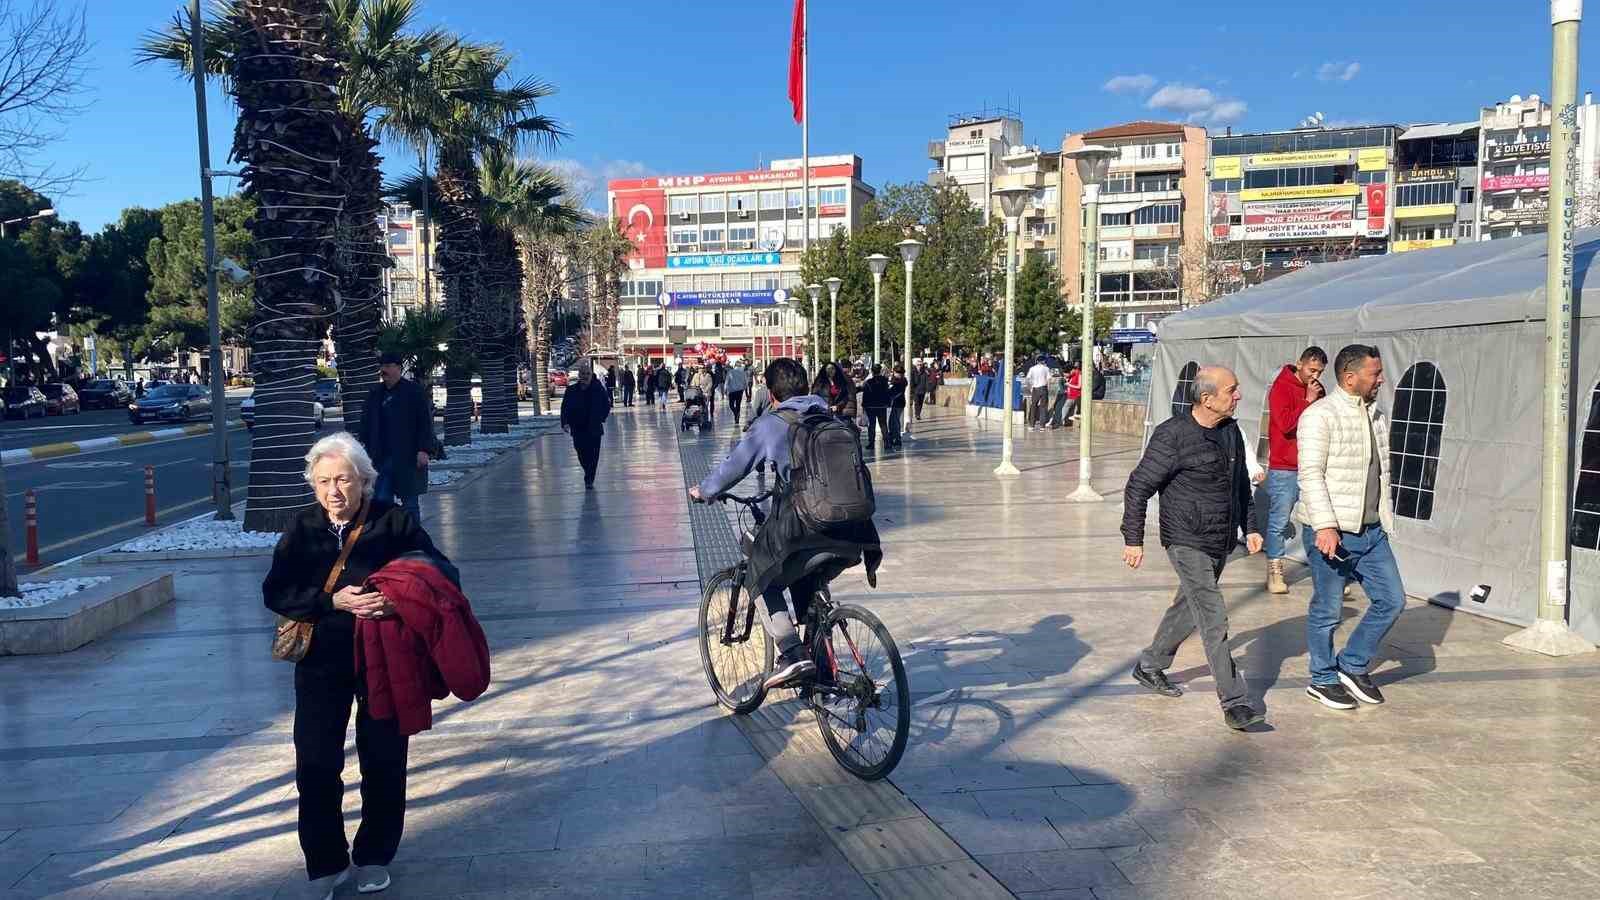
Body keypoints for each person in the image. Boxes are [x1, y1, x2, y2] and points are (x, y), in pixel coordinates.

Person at [263, 433, 450, 899]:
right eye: (324, 481)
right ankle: (325, 864)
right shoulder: (302, 527)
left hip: (384, 659)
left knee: (384, 758)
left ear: (363, 480)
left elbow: (441, 574)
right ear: (312, 485)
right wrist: (331, 601)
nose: (334, 490)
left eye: (343, 479)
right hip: (320, 662)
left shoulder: (394, 522)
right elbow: (276, 591)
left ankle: (374, 856)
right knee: (316, 761)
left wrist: (395, 599)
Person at [688, 358, 882, 689]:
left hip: (806, 526)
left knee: (761, 575)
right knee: (808, 583)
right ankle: (822, 675)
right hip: (856, 531)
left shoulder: (772, 424)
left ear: (771, 392)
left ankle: (792, 654)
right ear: (806, 386)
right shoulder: (830, 416)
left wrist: (704, 491)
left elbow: (734, 466)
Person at [1121, 366, 1266, 732]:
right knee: (1213, 615)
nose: (1238, 395)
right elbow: (1138, 486)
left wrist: (1250, 526)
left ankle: (1150, 665)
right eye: (1231, 390)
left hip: (1219, 538)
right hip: (1185, 538)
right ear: (1206, 398)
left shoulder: (1230, 431)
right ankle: (1235, 702)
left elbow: (1240, 486)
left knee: (1188, 605)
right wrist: (1133, 538)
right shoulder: (1172, 435)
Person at [1297, 344, 1406, 711]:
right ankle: (1322, 678)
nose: (1381, 380)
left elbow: (1382, 473)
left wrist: (1384, 519)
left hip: (1372, 532)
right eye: (1375, 374)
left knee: (1392, 600)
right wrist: (1325, 526)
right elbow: (1310, 474)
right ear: (1349, 377)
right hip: (1333, 533)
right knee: (1327, 610)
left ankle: (1352, 664)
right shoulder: (1319, 416)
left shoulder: (1376, 414)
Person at [1263, 346, 1328, 594]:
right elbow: (1286, 424)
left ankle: (1326, 574)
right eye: (1312, 370)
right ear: (1299, 364)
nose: (1315, 376)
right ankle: (1275, 570)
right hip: (1285, 467)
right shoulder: (1281, 387)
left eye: (1320, 372)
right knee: (1279, 521)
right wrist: (1307, 401)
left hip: (1311, 465)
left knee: (1317, 520)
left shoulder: (1317, 390)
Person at [356, 351, 434, 513]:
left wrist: (424, 450)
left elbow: (425, 423)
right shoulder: (375, 393)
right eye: (382, 366)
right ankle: (388, 529)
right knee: (381, 501)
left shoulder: (414, 392)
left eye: (388, 366)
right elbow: (366, 423)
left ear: (398, 368)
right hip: (380, 458)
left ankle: (412, 530)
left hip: (408, 457)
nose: (384, 370)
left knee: (410, 504)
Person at [560, 359, 611, 489]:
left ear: (591, 375)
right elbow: (565, 407)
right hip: (578, 428)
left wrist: (601, 418)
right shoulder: (571, 390)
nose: (585, 376)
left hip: (594, 428)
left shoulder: (598, 389)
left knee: (593, 456)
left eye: (587, 374)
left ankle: (589, 478)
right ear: (579, 375)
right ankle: (588, 471)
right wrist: (565, 423)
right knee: (581, 453)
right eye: (583, 374)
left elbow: (606, 405)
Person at [860, 364, 892, 450]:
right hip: (882, 406)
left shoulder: (869, 382)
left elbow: (865, 395)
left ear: (872, 371)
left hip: (871, 407)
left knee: (872, 425)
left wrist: (864, 405)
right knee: (883, 425)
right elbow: (887, 393)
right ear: (880, 371)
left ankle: (871, 443)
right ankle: (887, 443)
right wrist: (888, 403)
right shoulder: (884, 381)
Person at [1025, 354, 1052, 431]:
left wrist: (1030, 388)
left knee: (1033, 406)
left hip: (1035, 389)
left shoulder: (1032, 368)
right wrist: (1048, 389)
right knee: (1043, 407)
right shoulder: (1046, 368)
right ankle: (1042, 426)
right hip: (1043, 388)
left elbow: (1028, 379)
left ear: (1037, 361)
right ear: (1043, 361)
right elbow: (1049, 380)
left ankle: (1031, 425)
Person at [888, 364, 908, 449]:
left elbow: (894, 391)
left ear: (898, 373)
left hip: (898, 403)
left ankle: (897, 439)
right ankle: (893, 437)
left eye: (895, 372)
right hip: (897, 403)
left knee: (895, 422)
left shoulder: (901, 381)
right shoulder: (899, 380)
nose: (893, 374)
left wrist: (889, 391)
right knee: (892, 422)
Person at [725, 360, 750, 425]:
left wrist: (725, 389)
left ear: (734, 365)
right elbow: (746, 382)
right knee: (738, 405)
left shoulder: (730, 372)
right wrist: (744, 388)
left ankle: (736, 414)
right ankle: (737, 417)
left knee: (731, 405)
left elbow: (727, 381)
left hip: (732, 391)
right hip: (740, 391)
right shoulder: (743, 373)